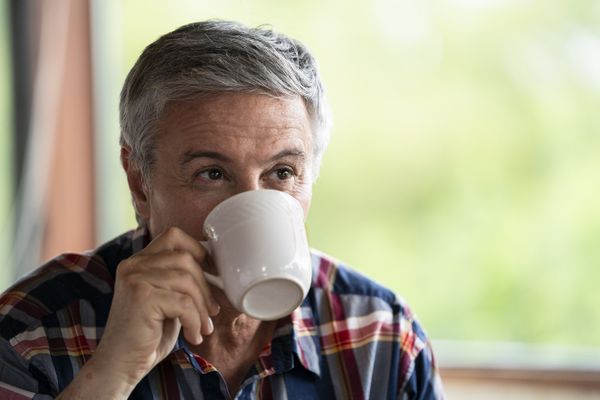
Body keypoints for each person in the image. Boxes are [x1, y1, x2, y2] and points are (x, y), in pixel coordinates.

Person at [0, 20, 444, 399]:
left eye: (283, 172)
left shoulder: (381, 336)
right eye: (212, 173)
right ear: (139, 182)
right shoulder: (28, 335)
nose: (250, 202)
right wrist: (110, 375)